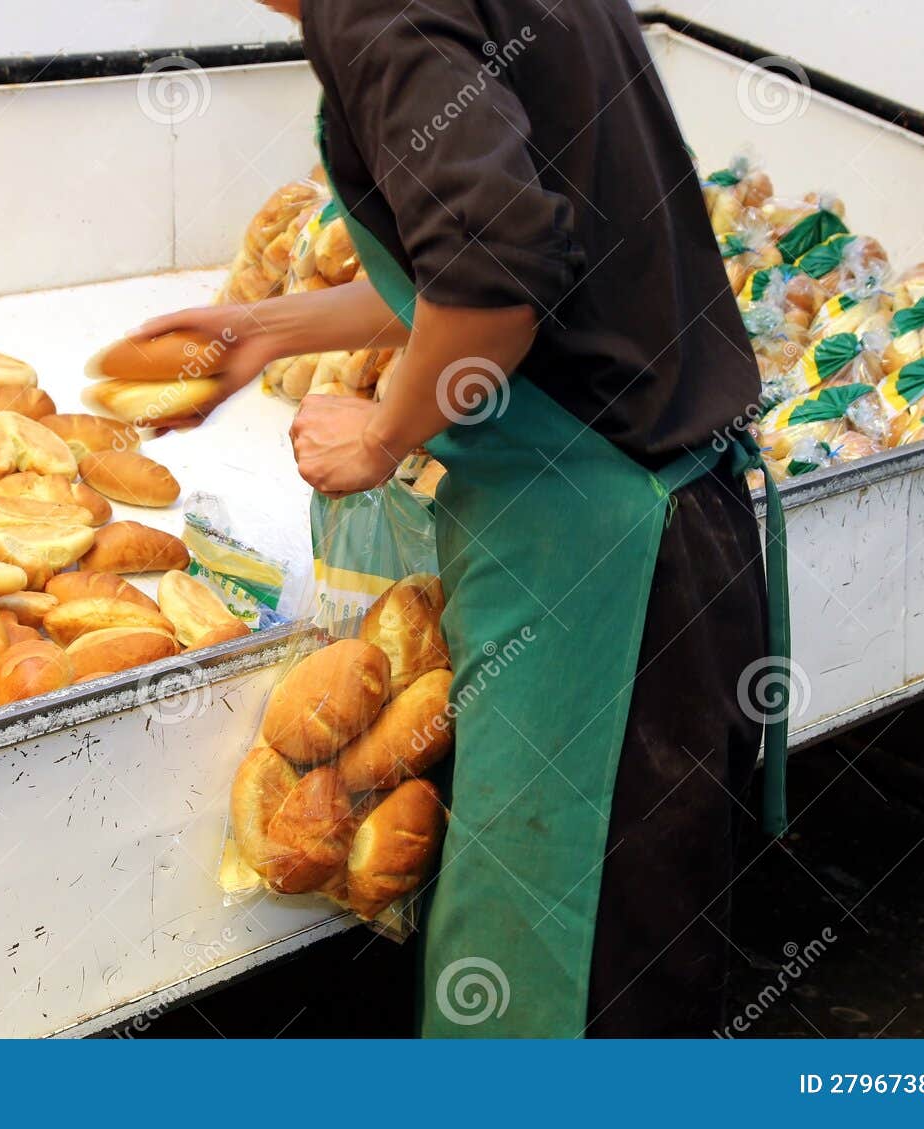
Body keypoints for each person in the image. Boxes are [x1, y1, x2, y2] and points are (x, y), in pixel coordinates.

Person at [136, 0, 776, 1037]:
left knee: (558, 992)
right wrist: (268, 326)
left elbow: (497, 273)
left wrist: (384, 433)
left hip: (608, 583)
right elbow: (513, 249)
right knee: (616, 974)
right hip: (662, 547)